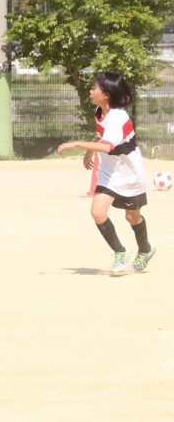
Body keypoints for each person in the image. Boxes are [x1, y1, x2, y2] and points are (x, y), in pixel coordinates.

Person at [57, 71, 156, 274]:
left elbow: (107, 146)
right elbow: (100, 137)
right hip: (109, 172)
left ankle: (145, 249)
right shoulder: (100, 111)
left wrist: (76, 144)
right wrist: (89, 152)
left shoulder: (118, 117)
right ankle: (120, 252)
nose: (91, 90)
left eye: (95, 88)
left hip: (129, 173)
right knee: (98, 213)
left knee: (132, 217)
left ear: (106, 94)